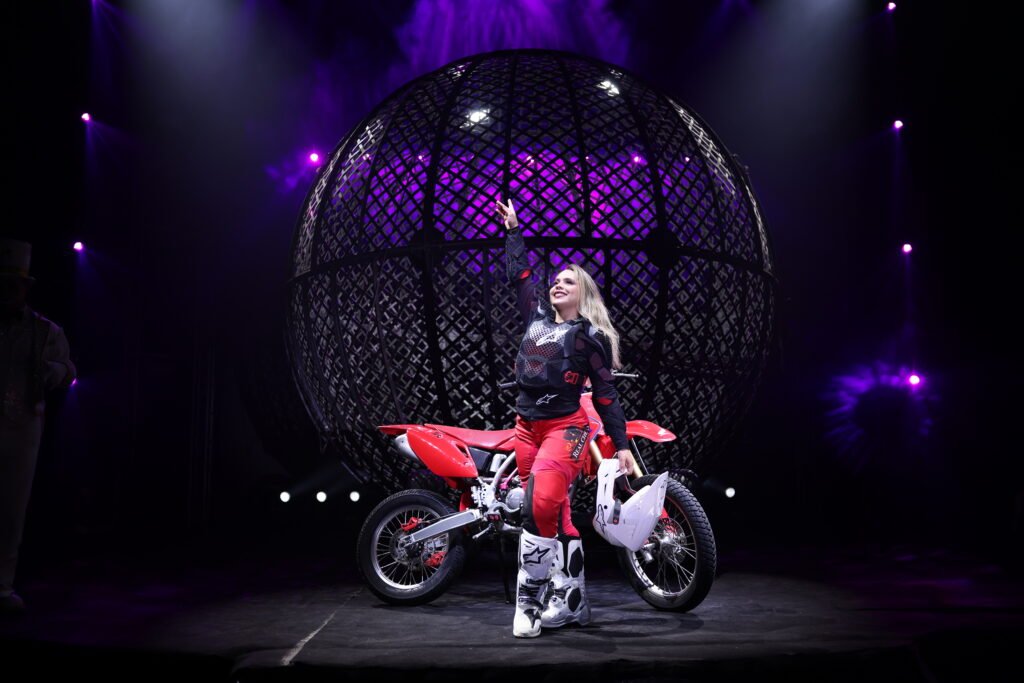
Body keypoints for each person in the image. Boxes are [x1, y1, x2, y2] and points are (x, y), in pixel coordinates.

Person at [496, 198, 637, 638]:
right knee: (552, 515)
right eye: (555, 280)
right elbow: (521, 275)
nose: (557, 284)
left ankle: (528, 603)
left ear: (583, 294)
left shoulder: (589, 338)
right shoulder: (536, 319)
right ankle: (572, 602)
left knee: (539, 504)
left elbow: (607, 396)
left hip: (568, 428)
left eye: (568, 281)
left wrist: (624, 446)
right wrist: (514, 230)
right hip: (526, 428)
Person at [0, 238, 76, 615]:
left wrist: (52, 372)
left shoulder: (46, 331)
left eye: (14, 285)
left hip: (21, 430)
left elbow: (68, 369)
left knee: (11, 509)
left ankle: (1, 586)